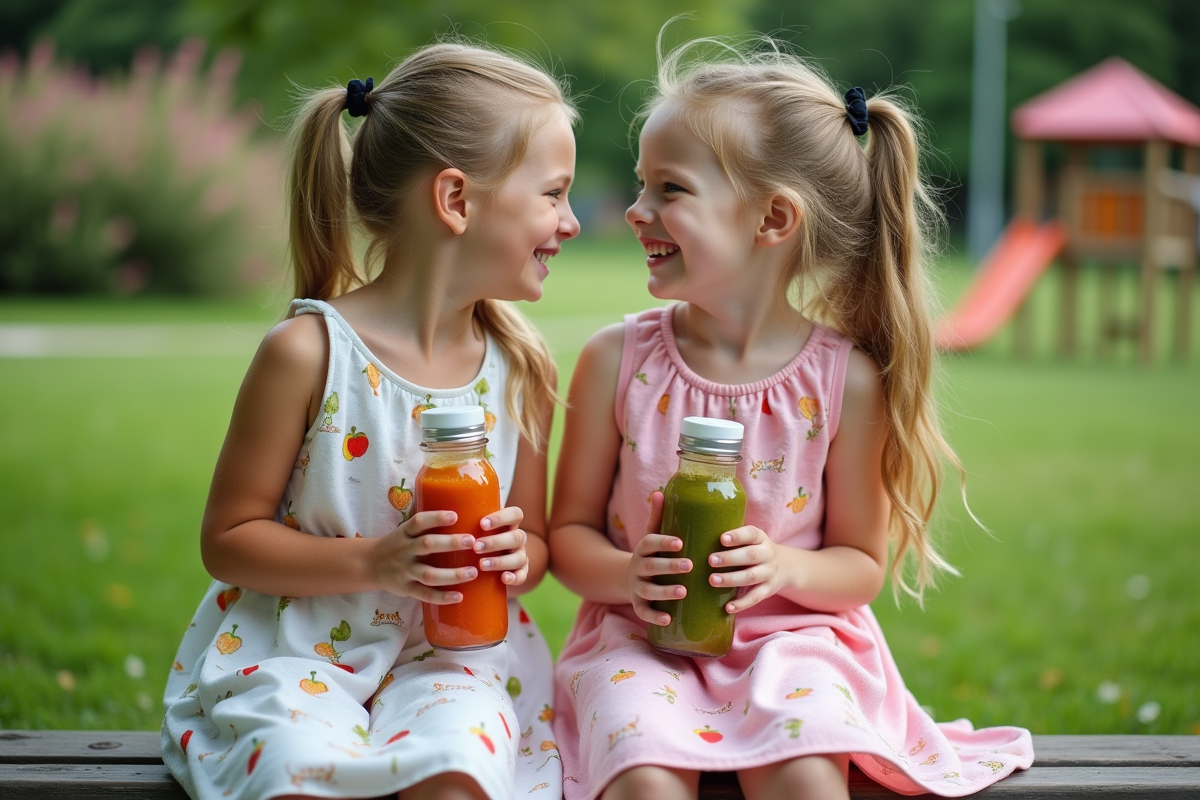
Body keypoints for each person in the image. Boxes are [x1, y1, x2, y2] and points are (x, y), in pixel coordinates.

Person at [548, 35, 1033, 800]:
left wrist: (784, 568)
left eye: (670, 189)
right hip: (639, 645)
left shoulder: (846, 382)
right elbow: (567, 538)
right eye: (642, 185)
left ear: (772, 218)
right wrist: (626, 575)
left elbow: (859, 567)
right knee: (643, 779)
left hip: (795, 644)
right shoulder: (617, 360)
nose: (637, 210)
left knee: (807, 775)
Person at [161, 42, 580, 800]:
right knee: (295, 771)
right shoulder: (308, 355)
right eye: (554, 194)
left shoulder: (522, 369)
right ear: (456, 200)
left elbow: (539, 545)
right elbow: (227, 541)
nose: (572, 222)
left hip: (454, 662)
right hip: (296, 658)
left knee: (457, 773)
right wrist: (375, 562)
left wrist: (520, 554)